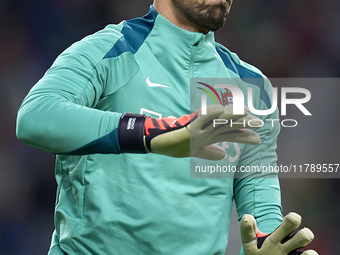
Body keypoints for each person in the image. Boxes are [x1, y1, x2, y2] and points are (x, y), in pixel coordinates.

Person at [16, 0, 318, 254]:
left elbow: (260, 216)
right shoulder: (113, 49)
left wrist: (271, 245)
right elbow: (36, 116)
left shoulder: (250, 86)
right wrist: (150, 134)